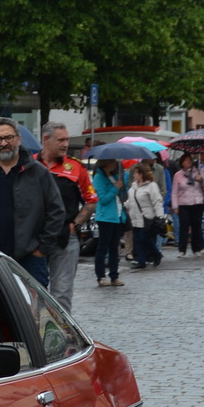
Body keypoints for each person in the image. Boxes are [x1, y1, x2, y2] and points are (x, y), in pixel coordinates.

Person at [0, 117, 65, 289]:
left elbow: (56, 211)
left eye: (8, 137)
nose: (3, 143)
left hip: (30, 258)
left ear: (18, 138)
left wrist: (42, 249)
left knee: (32, 305)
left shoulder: (38, 172)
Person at [38, 122, 96, 311]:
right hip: (33, 239)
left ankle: (60, 329)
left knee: (61, 293)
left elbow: (91, 200)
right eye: (61, 140)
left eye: (67, 140)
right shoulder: (29, 165)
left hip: (64, 238)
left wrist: (76, 225)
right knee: (33, 291)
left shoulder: (75, 167)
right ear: (46, 139)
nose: (65, 144)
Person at [91, 159, 128, 287]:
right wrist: (115, 188)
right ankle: (100, 276)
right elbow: (103, 199)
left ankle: (114, 276)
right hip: (105, 217)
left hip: (117, 216)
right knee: (103, 247)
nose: (115, 164)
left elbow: (122, 195)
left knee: (114, 248)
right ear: (106, 163)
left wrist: (121, 187)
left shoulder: (115, 176)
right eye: (112, 162)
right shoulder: (98, 178)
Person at [125, 160, 165, 269]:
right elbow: (131, 200)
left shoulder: (151, 186)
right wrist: (124, 205)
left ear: (141, 174)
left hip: (146, 217)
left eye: (135, 173)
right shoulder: (133, 186)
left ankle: (156, 254)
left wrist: (160, 216)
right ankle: (141, 261)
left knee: (144, 238)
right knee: (137, 240)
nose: (133, 175)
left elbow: (157, 201)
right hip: (135, 217)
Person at [169, 151, 204, 255]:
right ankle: (182, 249)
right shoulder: (178, 175)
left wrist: (201, 180)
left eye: (190, 160)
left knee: (196, 226)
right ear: (182, 162)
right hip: (183, 204)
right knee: (184, 226)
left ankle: (197, 248)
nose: (188, 162)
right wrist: (175, 206)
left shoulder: (198, 171)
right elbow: (174, 192)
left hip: (197, 202)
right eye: (186, 160)